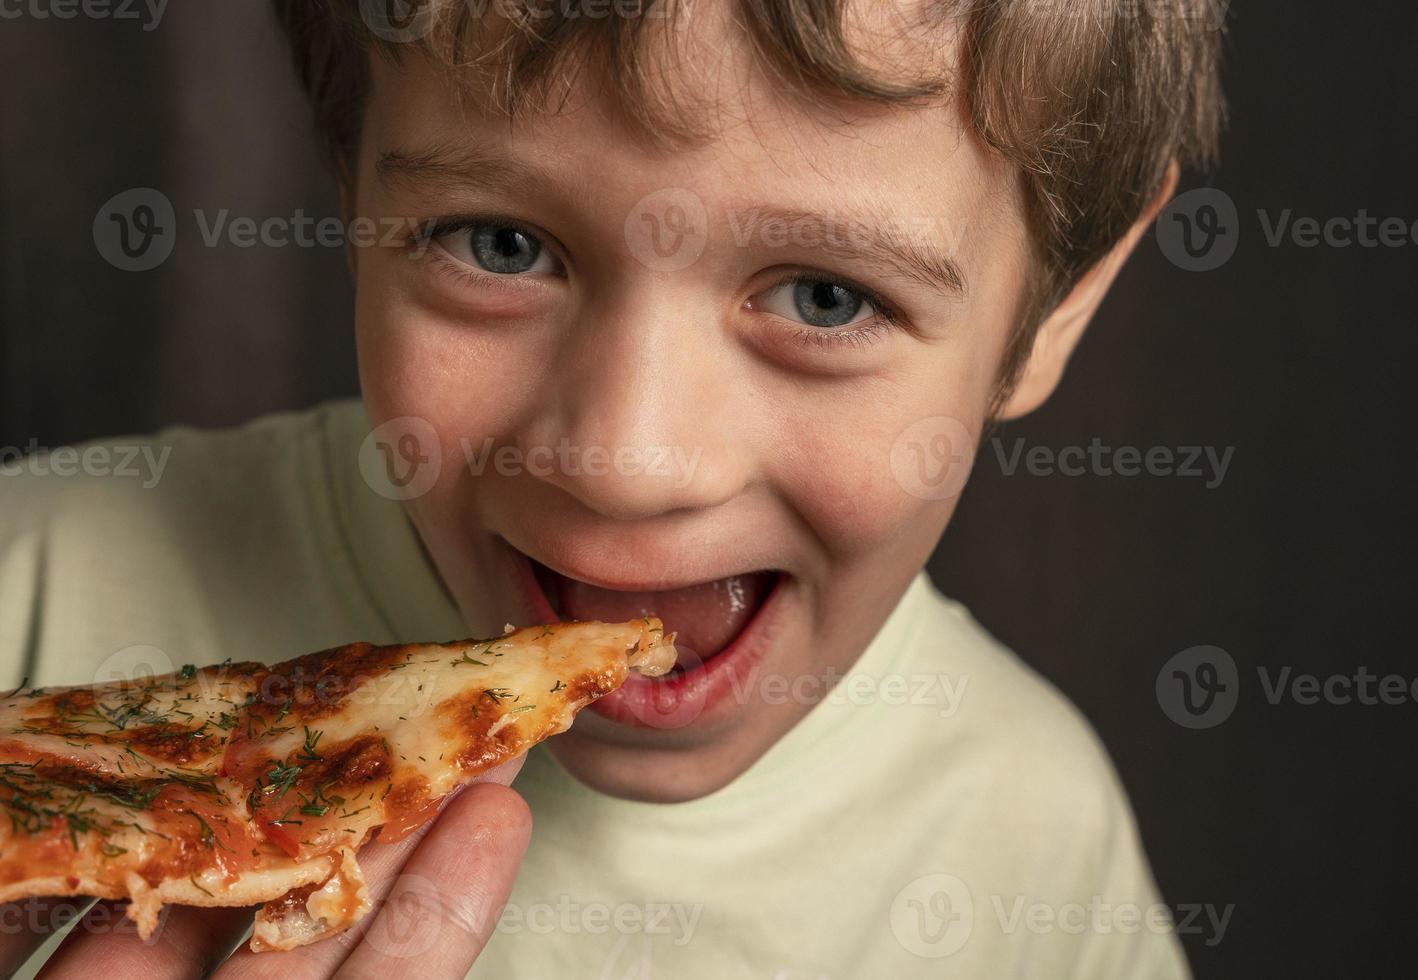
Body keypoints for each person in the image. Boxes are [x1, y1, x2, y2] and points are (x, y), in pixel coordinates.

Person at [0, 0, 1224, 975]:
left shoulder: (1032, 838)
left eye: (825, 296)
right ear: (353, 190)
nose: (628, 461)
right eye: (500, 243)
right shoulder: (27, 591)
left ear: (1060, 303)